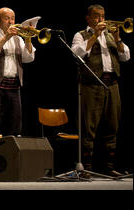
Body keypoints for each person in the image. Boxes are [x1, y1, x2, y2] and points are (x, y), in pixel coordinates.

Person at [71, 4, 130, 177]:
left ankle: (108, 166)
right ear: (88, 18)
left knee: (113, 126)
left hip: (112, 86)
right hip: (91, 86)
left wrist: (118, 39)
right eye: (97, 16)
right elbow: (77, 54)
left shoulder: (111, 35)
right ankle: (86, 168)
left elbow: (125, 56)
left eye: (103, 16)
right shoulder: (80, 35)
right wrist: (95, 35)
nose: (101, 19)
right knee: (88, 129)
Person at [0, 7, 35, 146]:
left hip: (14, 86)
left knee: (14, 126)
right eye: (7, 18)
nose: (11, 21)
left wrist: (27, 40)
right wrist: (5, 38)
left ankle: (10, 160)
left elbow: (29, 58)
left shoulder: (18, 39)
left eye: (13, 18)